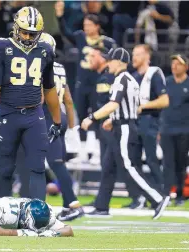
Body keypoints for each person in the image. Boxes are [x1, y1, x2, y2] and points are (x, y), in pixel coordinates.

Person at [81, 47, 170, 220]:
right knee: (108, 167)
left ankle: (158, 199)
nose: (108, 64)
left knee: (129, 167)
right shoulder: (129, 79)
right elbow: (126, 107)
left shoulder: (121, 79)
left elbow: (114, 104)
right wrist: (112, 120)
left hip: (124, 128)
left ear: (120, 62)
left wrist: (92, 117)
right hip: (121, 125)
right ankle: (101, 206)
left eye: (111, 60)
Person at [0, 7, 62, 201]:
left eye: (33, 33)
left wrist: (57, 120)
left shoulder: (45, 50)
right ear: (15, 28)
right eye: (25, 32)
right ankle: (2, 212)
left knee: (37, 167)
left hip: (33, 115)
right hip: (8, 113)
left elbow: (50, 88)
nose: (28, 37)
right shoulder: (1, 48)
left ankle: (39, 214)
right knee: (5, 168)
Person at [19, 33, 84, 221]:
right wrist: (72, 128)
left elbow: (39, 97)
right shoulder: (60, 68)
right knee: (51, 162)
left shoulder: (39, 67)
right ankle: (64, 204)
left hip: (45, 117)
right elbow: (69, 101)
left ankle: (70, 203)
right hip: (60, 117)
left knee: (51, 163)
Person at [56, 6, 116, 164]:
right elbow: (66, 34)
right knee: (81, 116)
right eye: (85, 25)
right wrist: (60, 17)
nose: (86, 27)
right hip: (82, 84)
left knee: (97, 116)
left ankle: (96, 151)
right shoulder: (80, 37)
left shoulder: (107, 42)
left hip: (99, 85)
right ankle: (82, 152)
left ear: (97, 26)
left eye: (89, 25)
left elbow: (114, 59)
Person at [131, 44, 169, 207]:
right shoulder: (132, 76)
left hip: (149, 121)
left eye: (137, 54)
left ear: (147, 56)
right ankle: (141, 198)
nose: (134, 58)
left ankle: (162, 196)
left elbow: (164, 100)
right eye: (133, 54)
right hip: (135, 122)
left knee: (152, 161)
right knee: (134, 162)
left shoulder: (154, 74)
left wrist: (143, 106)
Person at [161, 55, 189, 206]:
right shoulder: (166, 82)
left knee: (181, 163)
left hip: (184, 129)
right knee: (167, 163)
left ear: (186, 67)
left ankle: (180, 195)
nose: (174, 66)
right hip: (167, 129)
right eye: (173, 64)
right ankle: (166, 194)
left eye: (178, 64)